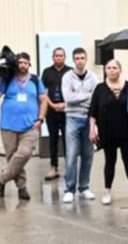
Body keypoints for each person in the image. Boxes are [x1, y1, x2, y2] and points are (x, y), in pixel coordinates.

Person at [0, 51, 47, 201]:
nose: (23, 65)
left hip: (30, 125)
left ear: (29, 65)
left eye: (26, 63)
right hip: (8, 125)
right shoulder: (8, 78)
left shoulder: (35, 80)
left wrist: (40, 119)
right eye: (20, 62)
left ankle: (2, 178)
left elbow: (44, 100)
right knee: (12, 157)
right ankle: (22, 187)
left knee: (24, 153)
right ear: (16, 64)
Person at [89, 58, 128, 206]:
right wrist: (92, 130)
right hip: (107, 132)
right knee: (109, 162)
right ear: (105, 71)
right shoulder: (100, 88)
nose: (112, 70)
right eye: (109, 68)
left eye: (115, 68)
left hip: (127, 131)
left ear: (120, 70)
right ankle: (107, 192)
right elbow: (93, 112)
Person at [62, 47, 98, 202]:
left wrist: (83, 97)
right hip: (72, 118)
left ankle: (84, 187)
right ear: (73, 60)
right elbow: (68, 98)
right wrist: (88, 95)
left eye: (82, 58)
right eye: (77, 58)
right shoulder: (67, 77)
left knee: (88, 156)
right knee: (71, 156)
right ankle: (69, 189)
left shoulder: (93, 77)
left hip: (88, 119)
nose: (79, 61)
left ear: (86, 59)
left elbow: (97, 98)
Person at [41, 47, 71, 182]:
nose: (59, 58)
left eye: (61, 56)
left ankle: (69, 168)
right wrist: (52, 105)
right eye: (56, 56)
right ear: (53, 57)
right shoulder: (47, 72)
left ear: (65, 57)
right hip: (52, 111)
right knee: (53, 139)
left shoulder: (70, 72)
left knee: (67, 140)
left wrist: (65, 104)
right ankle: (54, 167)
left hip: (67, 110)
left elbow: (75, 90)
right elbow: (43, 93)